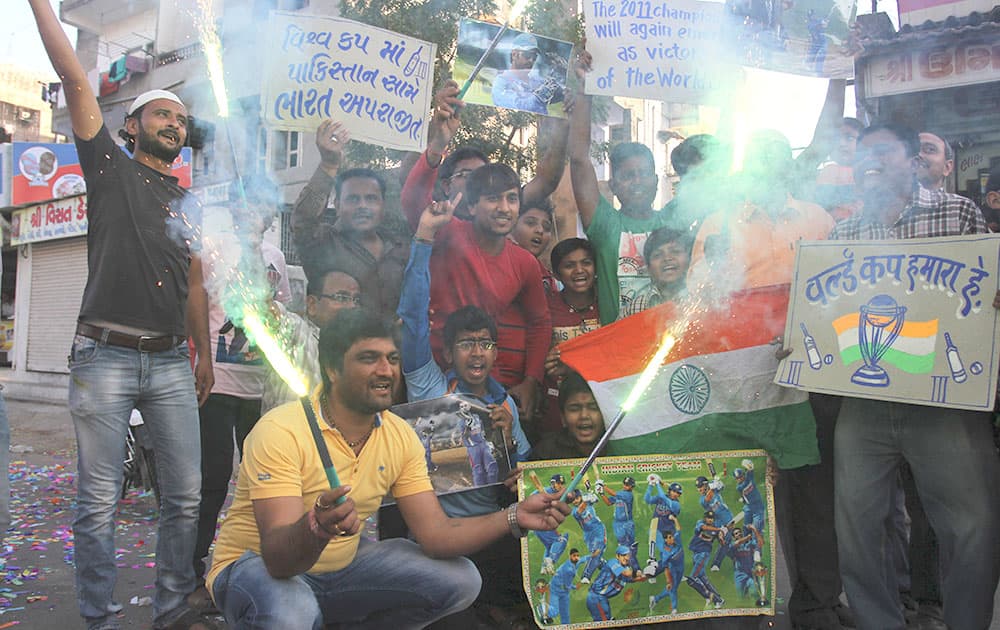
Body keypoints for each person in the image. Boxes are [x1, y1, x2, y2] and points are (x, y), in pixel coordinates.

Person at [205, 309, 571, 628]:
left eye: (392, 359)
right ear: (332, 368)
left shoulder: (398, 434)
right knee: (293, 608)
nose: (386, 371)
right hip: (257, 570)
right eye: (369, 358)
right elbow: (279, 560)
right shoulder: (281, 429)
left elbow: (437, 534)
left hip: (340, 571)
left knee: (461, 579)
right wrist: (316, 526)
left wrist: (513, 516)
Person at [29, 2, 213, 628]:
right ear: (131, 127)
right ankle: (99, 620)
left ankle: (169, 611)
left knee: (185, 497)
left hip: (168, 362)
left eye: (181, 118)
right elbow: (76, 78)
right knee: (99, 501)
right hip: (103, 356)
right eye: (162, 112)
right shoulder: (110, 169)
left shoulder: (187, 204)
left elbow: (193, 286)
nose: (174, 122)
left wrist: (203, 355)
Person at [829, 122, 1000, 630]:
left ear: (912, 159)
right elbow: (826, 309)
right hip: (864, 400)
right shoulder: (843, 233)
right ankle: (879, 622)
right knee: (856, 526)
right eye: (862, 156)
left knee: (970, 526)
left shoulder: (958, 211)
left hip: (944, 398)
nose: (869, 163)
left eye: (881, 152)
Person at [190, 179, 291, 609]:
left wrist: (277, 314)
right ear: (232, 210)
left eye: (260, 207)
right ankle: (195, 570)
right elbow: (197, 302)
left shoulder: (276, 257)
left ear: (270, 215)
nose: (251, 214)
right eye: (243, 206)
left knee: (261, 482)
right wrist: (203, 362)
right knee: (212, 480)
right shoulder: (215, 250)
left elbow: (285, 310)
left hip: (259, 390)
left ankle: (252, 562)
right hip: (220, 384)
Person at [423, 163, 552, 421]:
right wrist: (434, 151)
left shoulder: (525, 263)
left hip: (481, 380)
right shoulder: (450, 232)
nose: (504, 208)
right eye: (493, 198)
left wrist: (531, 381)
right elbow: (413, 198)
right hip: (429, 375)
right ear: (471, 206)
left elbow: (540, 321)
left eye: (512, 199)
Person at [570, 50, 682, 324]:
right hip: (619, 357)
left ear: (656, 180)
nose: (638, 182)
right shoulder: (606, 224)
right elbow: (579, 159)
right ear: (614, 185)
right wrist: (585, 90)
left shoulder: (671, 220)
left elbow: (710, 177)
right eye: (628, 176)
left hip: (669, 351)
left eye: (644, 174)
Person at [291, 121, 410, 320]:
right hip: (337, 350)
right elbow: (303, 220)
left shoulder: (400, 248)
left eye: (371, 198)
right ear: (337, 205)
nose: (363, 205)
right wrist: (329, 165)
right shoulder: (322, 244)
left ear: (382, 205)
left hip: (392, 350)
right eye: (353, 199)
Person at [261, 268, 361, 414]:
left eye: (356, 300)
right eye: (341, 297)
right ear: (312, 304)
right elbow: (268, 311)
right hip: (287, 435)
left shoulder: (357, 351)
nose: (352, 306)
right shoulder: (296, 332)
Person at [540, 239, 601, 432]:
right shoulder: (545, 307)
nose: (579, 270)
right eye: (569, 265)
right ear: (557, 273)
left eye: (586, 263)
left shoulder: (608, 304)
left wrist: (572, 366)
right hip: (556, 406)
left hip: (601, 405)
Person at [531, 372, 605, 460]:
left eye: (593, 407)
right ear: (563, 417)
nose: (584, 415)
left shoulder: (618, 445)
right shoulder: (546, 451)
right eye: (574, 409)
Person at [621, 226, 692, 317]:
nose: (667, 258)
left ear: (690, 260)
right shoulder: (636, 309)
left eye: (675, 251)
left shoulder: (703, 302)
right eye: (658, 255)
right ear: (649, 269)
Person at [491, 33, 557, 115]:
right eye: (528, 55)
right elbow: (518, 106)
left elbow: (558, 94)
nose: (531, 60)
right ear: (514, 55)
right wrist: (541, 96)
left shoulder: (536, 80)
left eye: (534, 57)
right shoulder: (501, 82)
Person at [584, 543, 644, 622]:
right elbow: (626, 573)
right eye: (623, 555)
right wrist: (637, 573)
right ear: (617, 556)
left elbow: (633, 579)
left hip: (603, 599)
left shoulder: (625, 567)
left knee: (607, 621)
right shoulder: (613, 562)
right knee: (603, 623)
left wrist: (647, 574)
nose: (626, 557)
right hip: (595, 597)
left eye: (627, 555)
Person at [510, 198, 556, 293]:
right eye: (530, 223)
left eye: (546, 227)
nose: (540, 230)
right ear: (512, 225)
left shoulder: (548, 279)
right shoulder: (497, 264)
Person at [597, 475, 639, 572]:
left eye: (628, 485)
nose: (625, 486)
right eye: (624, 484)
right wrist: (602, 493)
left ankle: (634, 567)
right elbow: (608, 503)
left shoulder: (628, 495)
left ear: (632, 487)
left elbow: (614, 493)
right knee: (623, 546)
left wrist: (603, 485)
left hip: (627, 523)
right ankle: (628, 567)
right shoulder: (620, 494)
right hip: (618, 524)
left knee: (630, 547)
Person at [695, 475, 736, 572]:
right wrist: (713, 488)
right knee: (712, 542)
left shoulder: (713, 487)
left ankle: (716, 564)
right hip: (717, 523)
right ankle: (735, 555)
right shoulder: (702, 500)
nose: (699, 489)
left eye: (701, 486)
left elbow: (722, 486)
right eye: (698, 487)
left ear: (705, 485)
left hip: (728, 519)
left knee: (725, 542)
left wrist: (718, 483)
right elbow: (707, 499)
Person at [687, 510, 726, 608]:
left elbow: (722, 543)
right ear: (705, 518)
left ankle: (710, 597)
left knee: (692, 578)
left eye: (712, 518)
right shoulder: (700, 523)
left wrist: (722, 534)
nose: (710, 520)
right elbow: (704, 528)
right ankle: (719, 600)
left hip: (704, 554)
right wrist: (719, 529)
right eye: (708, 518)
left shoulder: (716, 529)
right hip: (696, 553)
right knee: (703, 579)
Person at [569, 488, 607, 584]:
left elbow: (596, 500)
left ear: (580, 496)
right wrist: (587, 499)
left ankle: (586, 575)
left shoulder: (587, 500)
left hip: (598, 530)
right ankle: (604, 566)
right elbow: (580, 510)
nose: (574, 501)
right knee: (595, 555)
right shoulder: (574, 511)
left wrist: (593, 497)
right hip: (587, 534)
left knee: (596, 552)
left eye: (576, 498)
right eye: (572, 500)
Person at [644, 477, 682, 569]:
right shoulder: (661, 497)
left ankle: (674, 572)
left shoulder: (676, 504)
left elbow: (663, 497)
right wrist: (650, 486)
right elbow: (647, 499)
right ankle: (651, 572)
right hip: (656, 526)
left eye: (677, 492)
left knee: (671, 553)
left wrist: (657, 483)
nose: (675, 494)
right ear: (669, 491)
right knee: (652, 553)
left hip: (668, 529)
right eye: (674, 491)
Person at [648, 530, 684, 614]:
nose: (673, 538)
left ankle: (655, 598)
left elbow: (678, 529)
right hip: (673, 570)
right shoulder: (665, 552)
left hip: (681, 569)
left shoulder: (677, 541)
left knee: (673, 588)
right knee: (672, 588)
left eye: (672, 536)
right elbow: (666, 568)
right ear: (666, 540)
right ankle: (674, 609)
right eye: (670, 537)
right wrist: (668, 581)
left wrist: (674, 519)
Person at [548, 548, 582, 624]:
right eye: (574, 556)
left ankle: (566, 627)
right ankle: (542, 609)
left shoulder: (573, 564)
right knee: (555, 612)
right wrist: (575, 587)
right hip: (555, 590)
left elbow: (583, 559)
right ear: (570, 556)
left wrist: (592, 555)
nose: (576, 557)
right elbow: (567, 585)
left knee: (565, 615)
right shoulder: (568, 569)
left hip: (564, 592)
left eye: (578, 556)